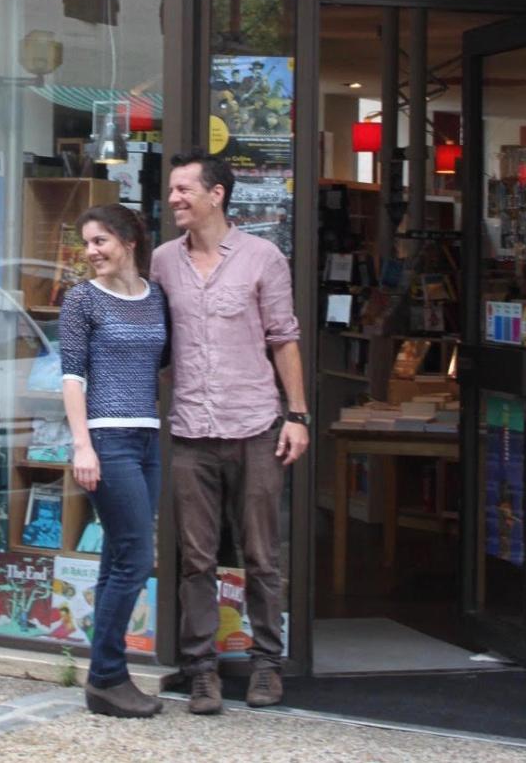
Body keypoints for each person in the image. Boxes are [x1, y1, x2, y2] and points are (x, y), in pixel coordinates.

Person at [150, 150, 310, 715]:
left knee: (261, 554)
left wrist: (297, 415)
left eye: (184, 189)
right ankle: (202, 672)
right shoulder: (163, 261)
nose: (174, 199)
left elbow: (283, 337)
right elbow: (154, 338)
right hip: (192, 430)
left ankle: (268, 664)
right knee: (196, 559)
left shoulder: (263, 257)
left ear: (216, 194)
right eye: (172, 190)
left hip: (255, 426)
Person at [60, 203, 168, 718]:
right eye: (87, 243)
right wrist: (82, 445)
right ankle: (106, 676)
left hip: (148, 438)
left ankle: (106, 677)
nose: (91, 252)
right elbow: (73, 377)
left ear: (129, 241)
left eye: (100, 241)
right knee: (135, 557)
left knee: (117, 561)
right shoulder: (82, 300)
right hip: (107, 440)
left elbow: (162, 364)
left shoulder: (156, 297)